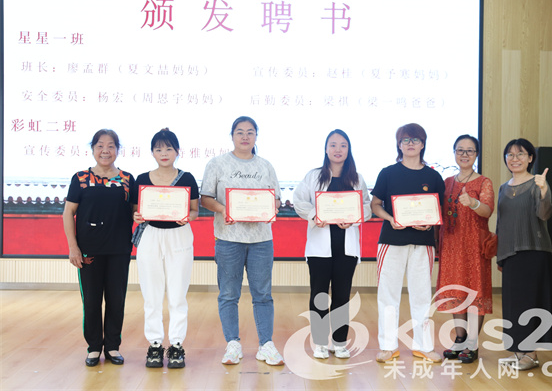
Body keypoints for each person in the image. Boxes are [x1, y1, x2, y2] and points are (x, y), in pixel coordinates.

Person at [200, 116, 284, 366]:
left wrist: (272, 207)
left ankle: (266, 345)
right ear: (232, 136)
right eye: (240, 132)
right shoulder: (217, 164)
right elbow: (206, 198)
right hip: (228, 239)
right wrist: (224, 209)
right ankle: (233, 344)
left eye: (250, 132)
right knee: (228, 293)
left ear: (256, 136)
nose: (245, 136)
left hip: (261, 240)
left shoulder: (266, 166)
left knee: (263, 294)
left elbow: (276, 199)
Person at [293, 129, 372, 359]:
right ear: (326, 149)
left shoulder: (356, 178)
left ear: (348, 150)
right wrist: (314, 215)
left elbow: (366, 206)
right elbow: (299, 201)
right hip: (319, 248)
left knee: (342, 296)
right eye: (333, 145)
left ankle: (339, 342)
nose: (338, 149)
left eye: (343, 145)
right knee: (319, 294)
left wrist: (353, 218)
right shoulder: (314, 176)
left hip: (347, 248)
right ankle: (319, 342)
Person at [371, 123, 445, 363]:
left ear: (423, 144)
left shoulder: (433, 176)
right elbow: (375, 205)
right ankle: (388, 346)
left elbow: (437, 210)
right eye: (405, 140)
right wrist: (390, 218)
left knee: (422, 295)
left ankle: (424, 346)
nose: (410, 144)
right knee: (388, 295)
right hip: (391, 241)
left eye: (415, 140)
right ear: (399, 144)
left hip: (422, 244)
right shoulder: (387, 173)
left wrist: (430, 224)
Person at [62, 129, 135, 367]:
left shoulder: (127, 179)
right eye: (100, 145)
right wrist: (73, 247)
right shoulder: (80, 178)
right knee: (92, 301)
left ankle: (112, 346)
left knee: (116, 300)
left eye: (111, 145)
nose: (105, 150)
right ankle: (94, 347)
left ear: (117, 149)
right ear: (93, 149)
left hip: (119, 249)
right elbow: (68, 213)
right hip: (88, 251)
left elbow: (136, 211)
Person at [132, 128, 199, 369]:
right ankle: (155, 344)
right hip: (150, 235)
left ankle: (177, 345)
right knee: (151, 294)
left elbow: (195, 210)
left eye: (169, 148)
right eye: (158, 148)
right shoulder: (141, 179)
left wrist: (188, 217)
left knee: (178, 294)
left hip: (179, 236)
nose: (164, 153)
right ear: (152, 152)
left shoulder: (187, 178)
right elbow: (134, 210)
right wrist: (136, 216)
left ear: (177, 151)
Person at [435, 135, 494, 364]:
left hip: (474, 245)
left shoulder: (484, 182)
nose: (465, 154)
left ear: (476, 154)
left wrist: (474, 203)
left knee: (475, 291)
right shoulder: (447, 182)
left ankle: (472, 343)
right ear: (454, 153)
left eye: (470, 150)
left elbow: (487, 211)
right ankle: (460, 340)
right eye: (460, 150)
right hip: (451, 244)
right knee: (456, 290)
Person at [497, 138, 552, 370]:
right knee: (513, 305)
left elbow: (544, 214)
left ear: (530, 158)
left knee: (531, 303)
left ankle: (531, 355)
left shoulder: (537, 184)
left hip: (533, 251)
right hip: (510, 253)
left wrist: (543, 191)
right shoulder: (503, 188)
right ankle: (519, 352)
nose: (515, 159)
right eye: (510, 154)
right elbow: (501, 224)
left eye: (520, 154)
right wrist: (500, 255)